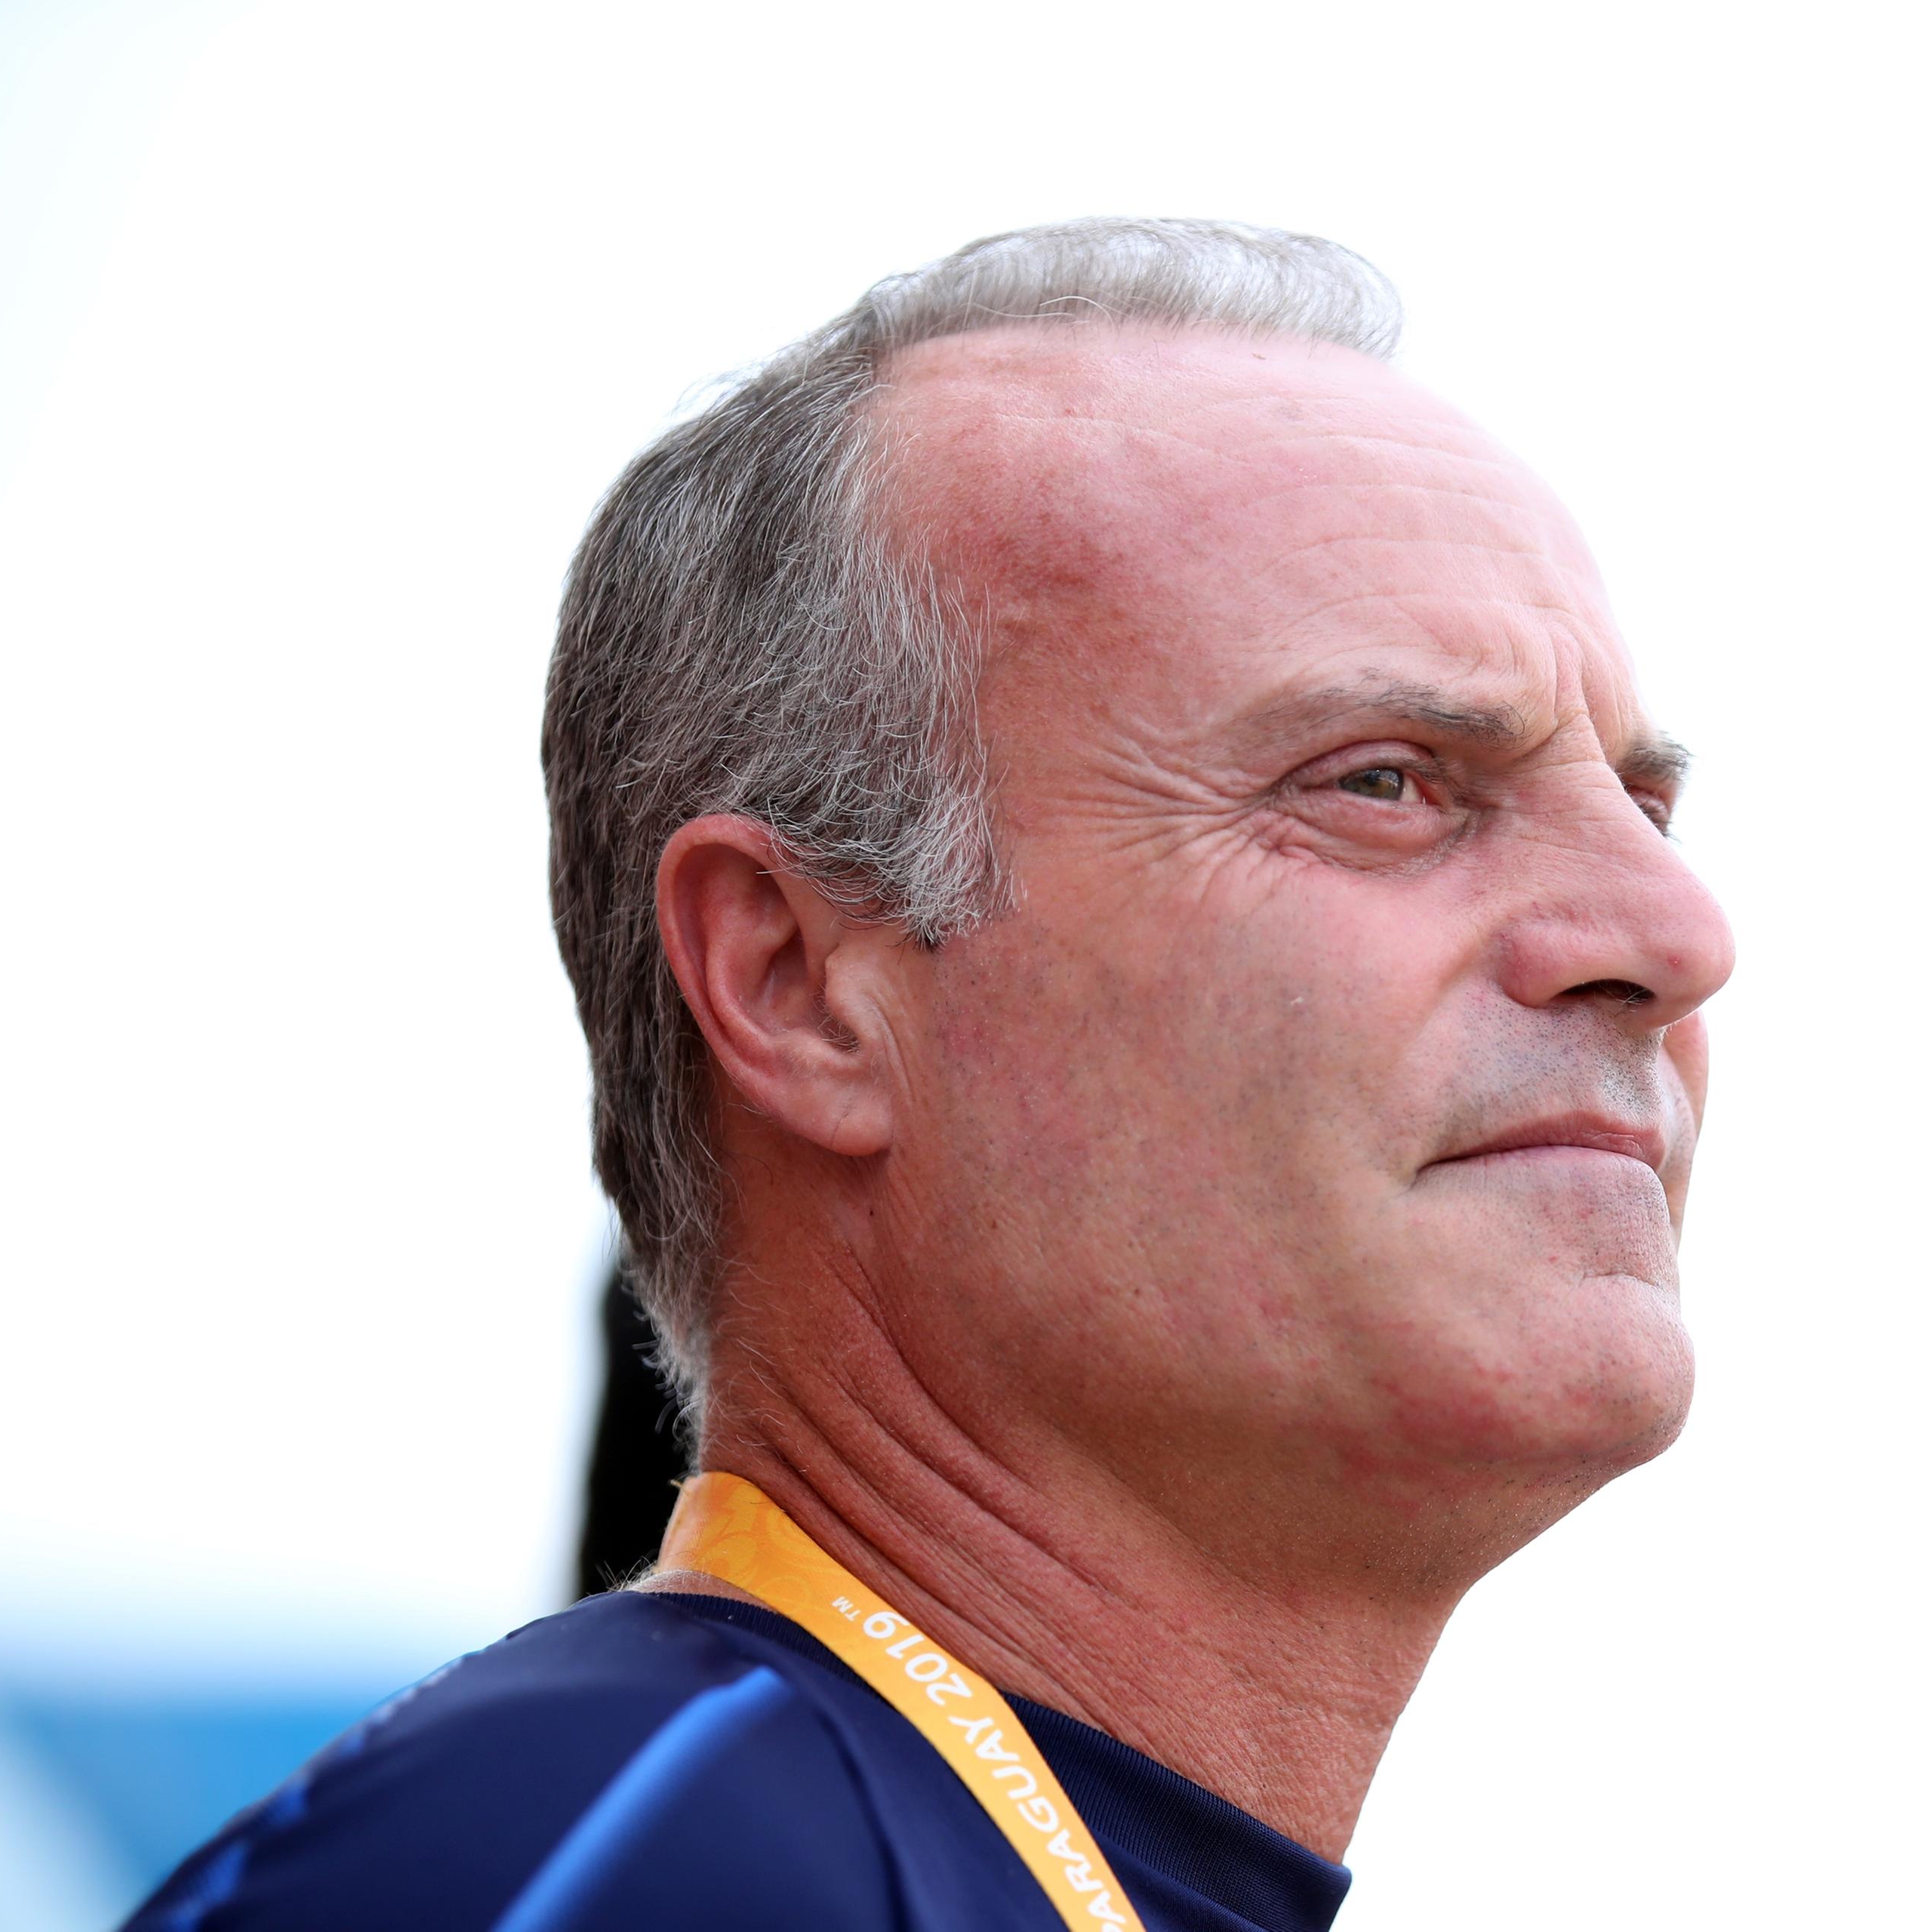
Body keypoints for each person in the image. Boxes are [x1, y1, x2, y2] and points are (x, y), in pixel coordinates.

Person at [130, 217, 1734, 1932]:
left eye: (1641, 804)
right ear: (800, 984)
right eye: (1385, 782)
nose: (1676, 927)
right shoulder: (606, 1859)